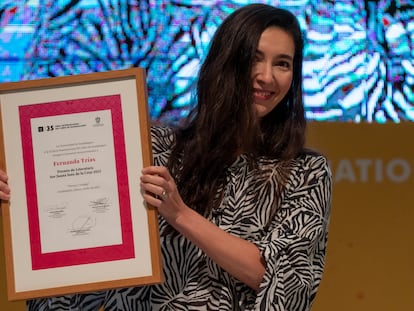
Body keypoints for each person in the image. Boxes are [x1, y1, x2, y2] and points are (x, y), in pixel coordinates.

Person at [0, 3, 332, 310]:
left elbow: (288, 285)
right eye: (254, 58)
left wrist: (181, 215)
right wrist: (31, 206)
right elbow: (86, 276)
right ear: (226, 62)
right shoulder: (156, 149)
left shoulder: (307, 172)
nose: (267, 76)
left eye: (282, 64)